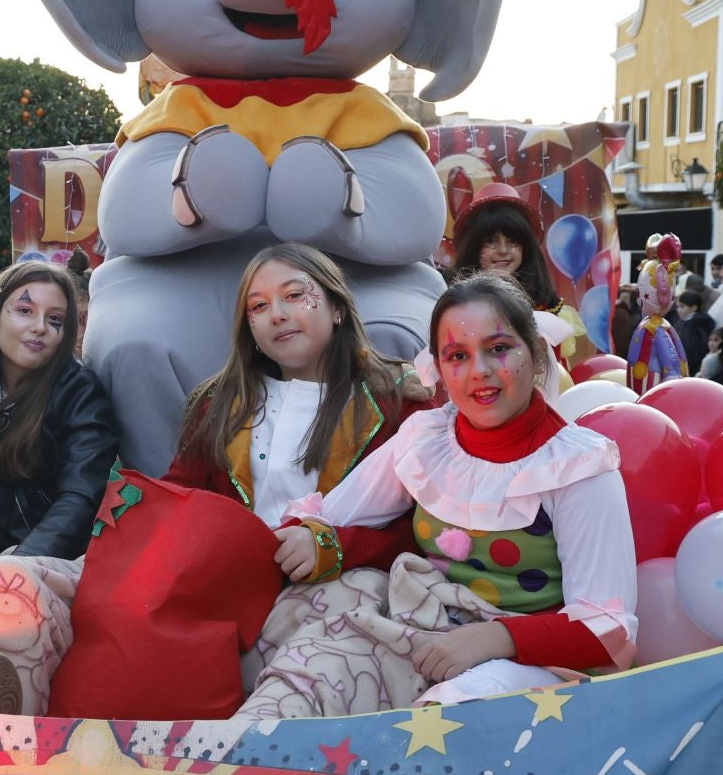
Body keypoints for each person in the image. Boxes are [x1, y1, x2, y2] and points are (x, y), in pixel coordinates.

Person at [242, 273, 638, 712]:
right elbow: (334, 516)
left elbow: (607, 630)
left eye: (499, 349)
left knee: (446, 717)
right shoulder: (427, 437)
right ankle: (237, 762)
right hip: (427, 627)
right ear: (441, 369)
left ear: (537, 354)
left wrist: (494, 638)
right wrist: (306, 537)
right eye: (457, 356)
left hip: (530, 660)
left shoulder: (578, 468)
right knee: (305, 642)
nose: (480, 372)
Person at [167, 244, 425, 575]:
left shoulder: (399, 399)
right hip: (233, 582)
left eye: (293, 295)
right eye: (258, 305)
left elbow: (430, 524)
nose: (276, 314)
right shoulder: (219, 404)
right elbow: (179, 501)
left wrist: (336, 548)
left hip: (353, 587)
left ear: (336, 309)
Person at [0, 261, 118, 561]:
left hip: (42, 564)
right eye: (25, 311)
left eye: (55, 318)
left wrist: (21, 565)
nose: (40, 327)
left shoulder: (80, 392)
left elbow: (81, 496)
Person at [449, 184, 582, 374]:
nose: (503, 250)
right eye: (491, 241)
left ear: (525, 248)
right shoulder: (455, 304)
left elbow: (557, 372)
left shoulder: (546, 305)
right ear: (474, 247)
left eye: (513, 241)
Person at [673, 288, 716, 376]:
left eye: (682, 306)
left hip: (690, 370)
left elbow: (692, 351)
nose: (678, 310)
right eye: (677, 306)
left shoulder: (695, 325)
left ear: (693, 307)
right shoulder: (684, 321)